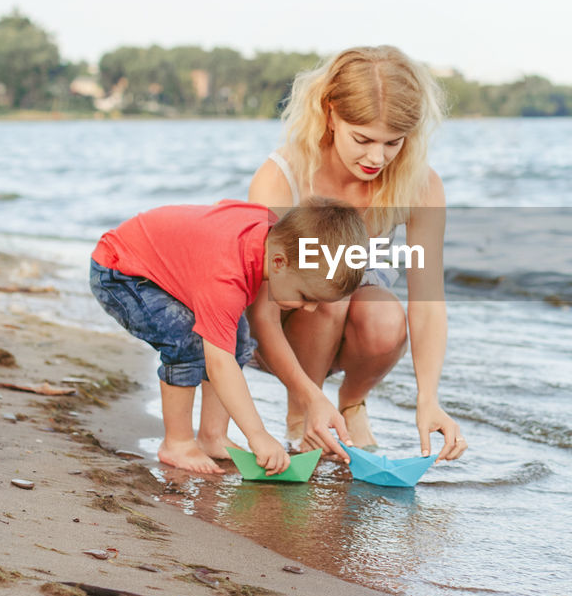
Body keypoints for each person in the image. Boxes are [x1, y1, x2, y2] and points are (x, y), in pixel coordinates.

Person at [198, 46, 469, 463]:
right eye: (362, 139)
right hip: (273, 326)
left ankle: (350, 405)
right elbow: (260, 311)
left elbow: (428, 302)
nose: (377, 158)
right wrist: (307, 396)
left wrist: (427, 399)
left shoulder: (420, 185)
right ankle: (303, 409)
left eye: (392, 143)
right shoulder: (284, 176)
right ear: (330, 115)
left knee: (381, 314)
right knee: (330, 286)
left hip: (346, 329)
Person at [89, 196, 368, 475]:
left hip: (163, 266)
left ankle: (212, 436)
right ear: (280, 262)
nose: (310, 309)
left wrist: (313, 397)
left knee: (238, 338)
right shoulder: (226, 275)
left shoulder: (273, 234)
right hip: (121, 271)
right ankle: (178, 442)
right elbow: (219, 365)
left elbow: (224, 208)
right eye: (306, 297)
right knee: (185, 339)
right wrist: (257, 434)